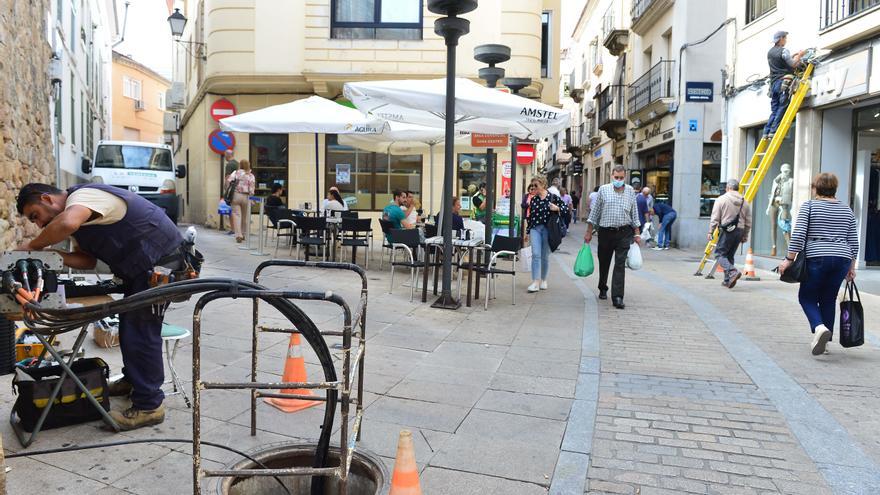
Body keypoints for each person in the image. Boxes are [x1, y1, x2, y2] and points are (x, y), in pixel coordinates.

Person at [16, 182, 186, 430]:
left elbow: (66, 224)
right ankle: (133, 381)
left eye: (36, 216)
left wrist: (32, 247)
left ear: (47, 199)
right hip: (141, 269)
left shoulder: (84, 197)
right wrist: (49, 256)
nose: (40, 225)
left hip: (160, 264)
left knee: (141, 331)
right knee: (130, 327)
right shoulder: (81, 213)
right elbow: (86, 260)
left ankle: (150, 406)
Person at [778, 173, 858, 356]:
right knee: (828, 299)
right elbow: (853, 241)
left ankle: (819, 328)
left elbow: (798, 235)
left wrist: (788, 259)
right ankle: (825, 344)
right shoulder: (846, 210)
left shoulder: (810, 206)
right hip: (842, 259)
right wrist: (851, 267)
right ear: (834, 189)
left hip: (817, 257)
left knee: (806, 297)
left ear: (815, 188)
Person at [585, 165, 642, 309]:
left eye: (621, 178)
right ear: (612, 176)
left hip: (624, 232)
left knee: (620, 264)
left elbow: (634, 213)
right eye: (616, 177)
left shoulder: (630, 191)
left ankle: (617, 296)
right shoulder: (603, 190)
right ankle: (603, 286)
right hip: (605, 232)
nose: (619, 180)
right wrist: (588, 231)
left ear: (625, 177)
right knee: (604, 262)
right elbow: (595, 212)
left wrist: (637, 232)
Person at [526, 176, 568, 293]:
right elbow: (531, 217)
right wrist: (528, 231)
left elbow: (565, 210)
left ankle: (543, 280)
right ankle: (535, 281)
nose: (533, 188)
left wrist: (557, 208)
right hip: (535, 229)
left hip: (548, 230)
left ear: (543, 185)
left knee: (544, 256)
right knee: (535, 254)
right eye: (532, 185)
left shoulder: (552, 197)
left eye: (536, 185)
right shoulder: (534, 199)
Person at [708, 179, 752, 288]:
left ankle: (732, 271)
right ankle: (728, 280)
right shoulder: (744, 202)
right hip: (740, 231)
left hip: (727, 230)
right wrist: (745, 235)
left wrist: (711, 231)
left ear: (728, 188)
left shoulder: (721, 199)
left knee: (719, 254)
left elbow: (715, 218)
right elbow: (748, 222)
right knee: (729, 255)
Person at [764, 31, 805, 139]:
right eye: (785, 38)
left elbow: (782, 62)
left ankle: (766, 132)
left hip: (773, 85)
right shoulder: (784, 51)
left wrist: (792, 56)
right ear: (781, 39)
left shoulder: (770, 52)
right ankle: (773, 131)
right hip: (783, 82)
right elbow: (794, 64)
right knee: (782, 107)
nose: (786, 40)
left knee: (775, 109)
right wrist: (800, 56)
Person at [227, 159, 255, 243]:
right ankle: (243, 234)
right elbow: (252, 189)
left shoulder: (236, 172)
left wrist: (229, 190)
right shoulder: (251, 175)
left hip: (236, 195)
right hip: (246, 197)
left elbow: (228, 182)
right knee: (244, 217)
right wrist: (251, 197)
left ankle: (238, 235)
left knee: (236, 215)